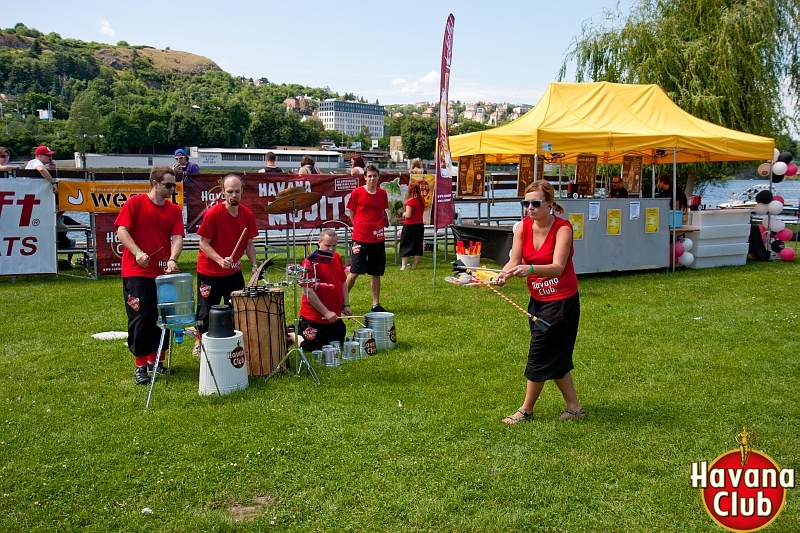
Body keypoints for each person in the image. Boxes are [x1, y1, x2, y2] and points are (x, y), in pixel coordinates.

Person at [495, 180, 585, 424]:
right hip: (538, 300)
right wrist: (503, 273)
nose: (530, 208)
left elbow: (557, 267)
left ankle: (526, 410)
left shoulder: (563, 229)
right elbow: (514, 260)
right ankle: (575, 408)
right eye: (526, 203)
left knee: (539, 354)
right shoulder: (521, 228)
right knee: (555, 355)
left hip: (562, 302)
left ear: (550, 204)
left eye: (536, 203)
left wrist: (531, 268)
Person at [115, 166, 185, 385]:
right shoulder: (135, 203)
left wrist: (173, 259)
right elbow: (122, 231)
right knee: (141, 318)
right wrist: (137, 253)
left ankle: (158, 362)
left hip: (162, 272)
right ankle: (140, 366)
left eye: (174, 185)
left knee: (162, 317)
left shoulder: (174, 210)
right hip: (137, 272)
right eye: (168, 185)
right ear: (155, 184)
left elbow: (177, 237)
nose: (172, 189)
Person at [193, 174, 259, 357]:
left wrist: (254, 264)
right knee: (207, 312)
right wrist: (219, 259)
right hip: (210, 271)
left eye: (237, 191)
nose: (234, 195)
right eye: (230, 192)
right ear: (223, 192)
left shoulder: (247, 214)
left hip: (233, 271)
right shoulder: (213, 214)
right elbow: (203, 243)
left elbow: (249, 244)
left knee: (236, 308)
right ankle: (200, 342)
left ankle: (233, 342)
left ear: (242, 192)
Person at [289, 229, 353, 351]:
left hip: (333, 317)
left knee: (336, 344)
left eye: (334, 246)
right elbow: (308, 291)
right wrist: (326, 312)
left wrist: (345, 305)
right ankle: (292, 334)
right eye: (327, 245)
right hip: (315, 317)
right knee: (313, 348)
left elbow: (343, 282)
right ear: (319, 242)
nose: (331, 249)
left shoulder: (337, 257)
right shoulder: (309, 262)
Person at [346, 164, 389, 312]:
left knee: (376, 272)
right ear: (364, 177)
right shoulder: (357, 193)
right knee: (355, 271)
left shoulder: (382, 194)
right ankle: (341, 300)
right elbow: (351, 213)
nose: (372, 179)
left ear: (378, 177)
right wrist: (359, 227)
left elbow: (383, 212)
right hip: (360, 238)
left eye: (374, 176)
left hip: (377, 238)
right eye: (369, 176)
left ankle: (375, 304)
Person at [399, 180, 425, 270]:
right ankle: (414, 265)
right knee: (417, 245)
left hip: (410, 226)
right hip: (419, 225)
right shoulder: (421, 200)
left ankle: (404, 266)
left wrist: (403, 214)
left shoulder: (410, 202)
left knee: (406, 244)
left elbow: (408, 215)